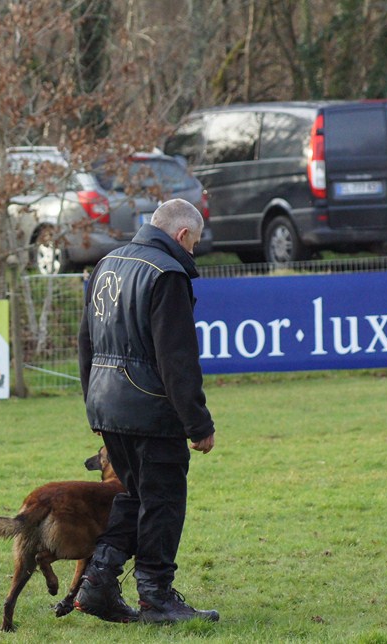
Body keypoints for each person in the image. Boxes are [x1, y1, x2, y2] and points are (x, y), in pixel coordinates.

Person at [74, 198, 219, 625]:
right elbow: (175, 358)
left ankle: (97, 584)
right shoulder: (167, 274)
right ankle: (156, 596)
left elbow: (86, 343)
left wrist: (94, 407)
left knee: (133, 497)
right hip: (151, 411)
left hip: (107, 406)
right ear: (181, 235)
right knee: (162, 503)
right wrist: (198, 423)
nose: (193, 251)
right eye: (195, 241)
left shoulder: (108, 264)